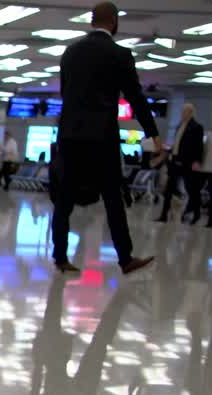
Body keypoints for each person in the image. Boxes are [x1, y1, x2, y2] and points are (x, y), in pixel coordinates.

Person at [51, 2, 160, 274]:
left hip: (70, 134)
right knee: (112, 198)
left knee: (64, 198)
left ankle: (61, 257)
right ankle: (125, 258)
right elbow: (135, 97)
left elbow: (66, 92)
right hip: (102, 136)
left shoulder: (70, 52)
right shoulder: (120, 54)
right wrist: (152, 132)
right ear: (114, 21)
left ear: (91, 21)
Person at [159, 104, 204, 224]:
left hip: (187, 162)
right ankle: (164, 215)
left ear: (190, 113)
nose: (182, 114)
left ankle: (196, 214)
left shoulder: (197, 127)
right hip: (175, 160)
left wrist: (197, 161)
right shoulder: (179, 126)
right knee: (169, 188)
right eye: (182, 111)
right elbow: (177, 143)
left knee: (192, 189)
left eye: (185, 112)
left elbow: (199, 146)